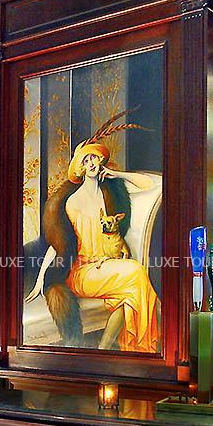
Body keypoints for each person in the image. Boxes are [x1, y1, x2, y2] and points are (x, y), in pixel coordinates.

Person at [28, 135, 161, 352]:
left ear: (100, 161)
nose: (91, 163)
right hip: (83, 271)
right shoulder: (72, 202)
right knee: (136, 272)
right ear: (80, 168)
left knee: (129, 293)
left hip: (106, 265)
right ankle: (136, 348)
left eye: (94, 158)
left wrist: (117, 174)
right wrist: (41, 279)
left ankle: (105, 347)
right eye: (85, 160)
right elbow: (59, 244)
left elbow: (153, 184)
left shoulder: (109, 192)